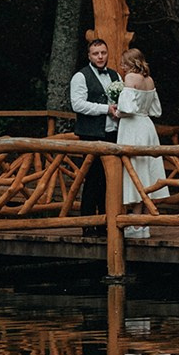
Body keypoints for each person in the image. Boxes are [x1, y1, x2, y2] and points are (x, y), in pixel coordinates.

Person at [116, 44, 171, 238]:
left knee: (136, 171)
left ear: (131, 63)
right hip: (147, 126)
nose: (122, 67)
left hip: (133, 127)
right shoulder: (149, 80)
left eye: (124, 63)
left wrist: (116, 111)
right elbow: (156, 110)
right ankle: (145, 223)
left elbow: (127, 108)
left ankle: (137, 223)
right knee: (148, 170)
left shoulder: (131, 78)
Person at [67, 27, 120, 218]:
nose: (100, 57)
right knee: (92, 179)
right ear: (89, 56)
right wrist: (105, 109)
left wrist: (119, 110)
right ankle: (88, 224)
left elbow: (121, 100)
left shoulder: (115, 76)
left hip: (113, 133)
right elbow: (78, 105)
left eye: (103, 53)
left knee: (109, 180)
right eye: (96, 54)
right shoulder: (80, 77)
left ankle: (107, 222)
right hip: (91, 134)